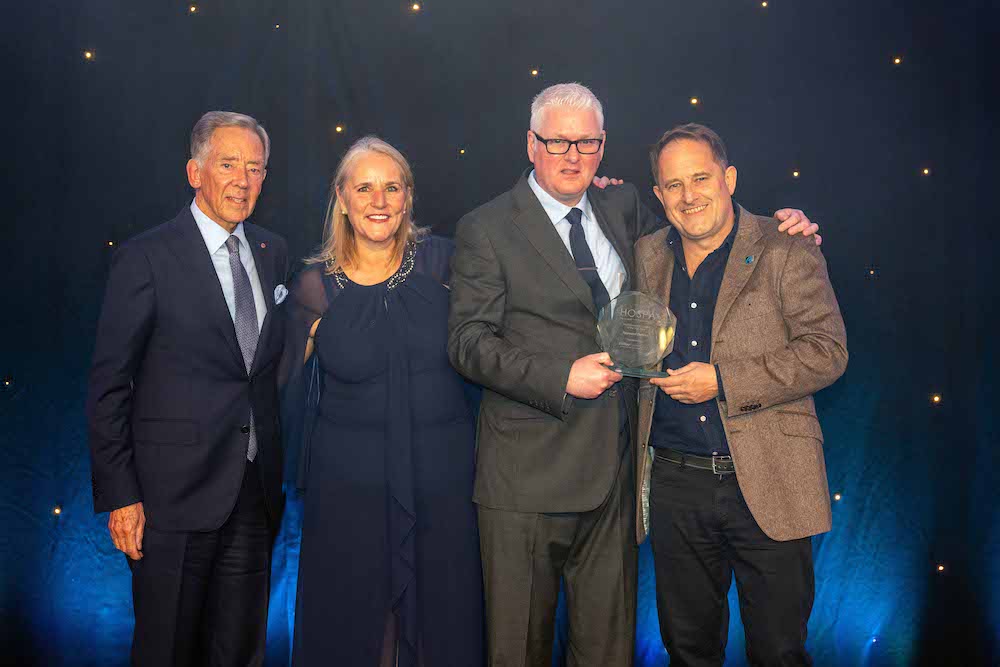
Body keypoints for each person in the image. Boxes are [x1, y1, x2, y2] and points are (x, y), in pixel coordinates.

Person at [447, 83, 821, 667]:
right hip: (527, 479)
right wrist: (558, 375)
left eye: (587, 143)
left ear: (602, 148)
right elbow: (467, 343)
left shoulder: (625, 211)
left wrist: (786, 222)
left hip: (619, 479)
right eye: (557, 141)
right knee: (519, 648)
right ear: (530, 144)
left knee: (608, 652)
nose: (572, 156)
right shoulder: (485, 227)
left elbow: (708, 220)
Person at [634, 123, 848, 666]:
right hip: (676, 484)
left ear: (729, 178)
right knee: (687, 651)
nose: (689, 196)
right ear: (658, 196)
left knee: (779, 652)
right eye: (673, 185)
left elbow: (827, 351)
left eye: (701, 177)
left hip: (771, 479)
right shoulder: (643, 256)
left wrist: (724, 381)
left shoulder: (786, 245)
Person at [87, 111, 287, 666]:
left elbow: (261, 372)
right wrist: (121, 495)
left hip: (252, 492)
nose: (243, 180)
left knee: (239, 651)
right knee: (167, 650)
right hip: (168, 499)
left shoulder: (274, 252)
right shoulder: (145, 256)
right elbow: (109, 385)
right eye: (229, 164)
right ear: (194, 172)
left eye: (256, 167)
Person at [280, 136, 484, 666]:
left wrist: (596, 200)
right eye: (364, 188)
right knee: (352, 626)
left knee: (442, 617)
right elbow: (275, 387)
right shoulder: (313, 286)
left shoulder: (446, 265)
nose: (378, 200)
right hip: (347, 490)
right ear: (342, 198)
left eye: (391, 187)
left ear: (408, 197)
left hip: (441, 482)